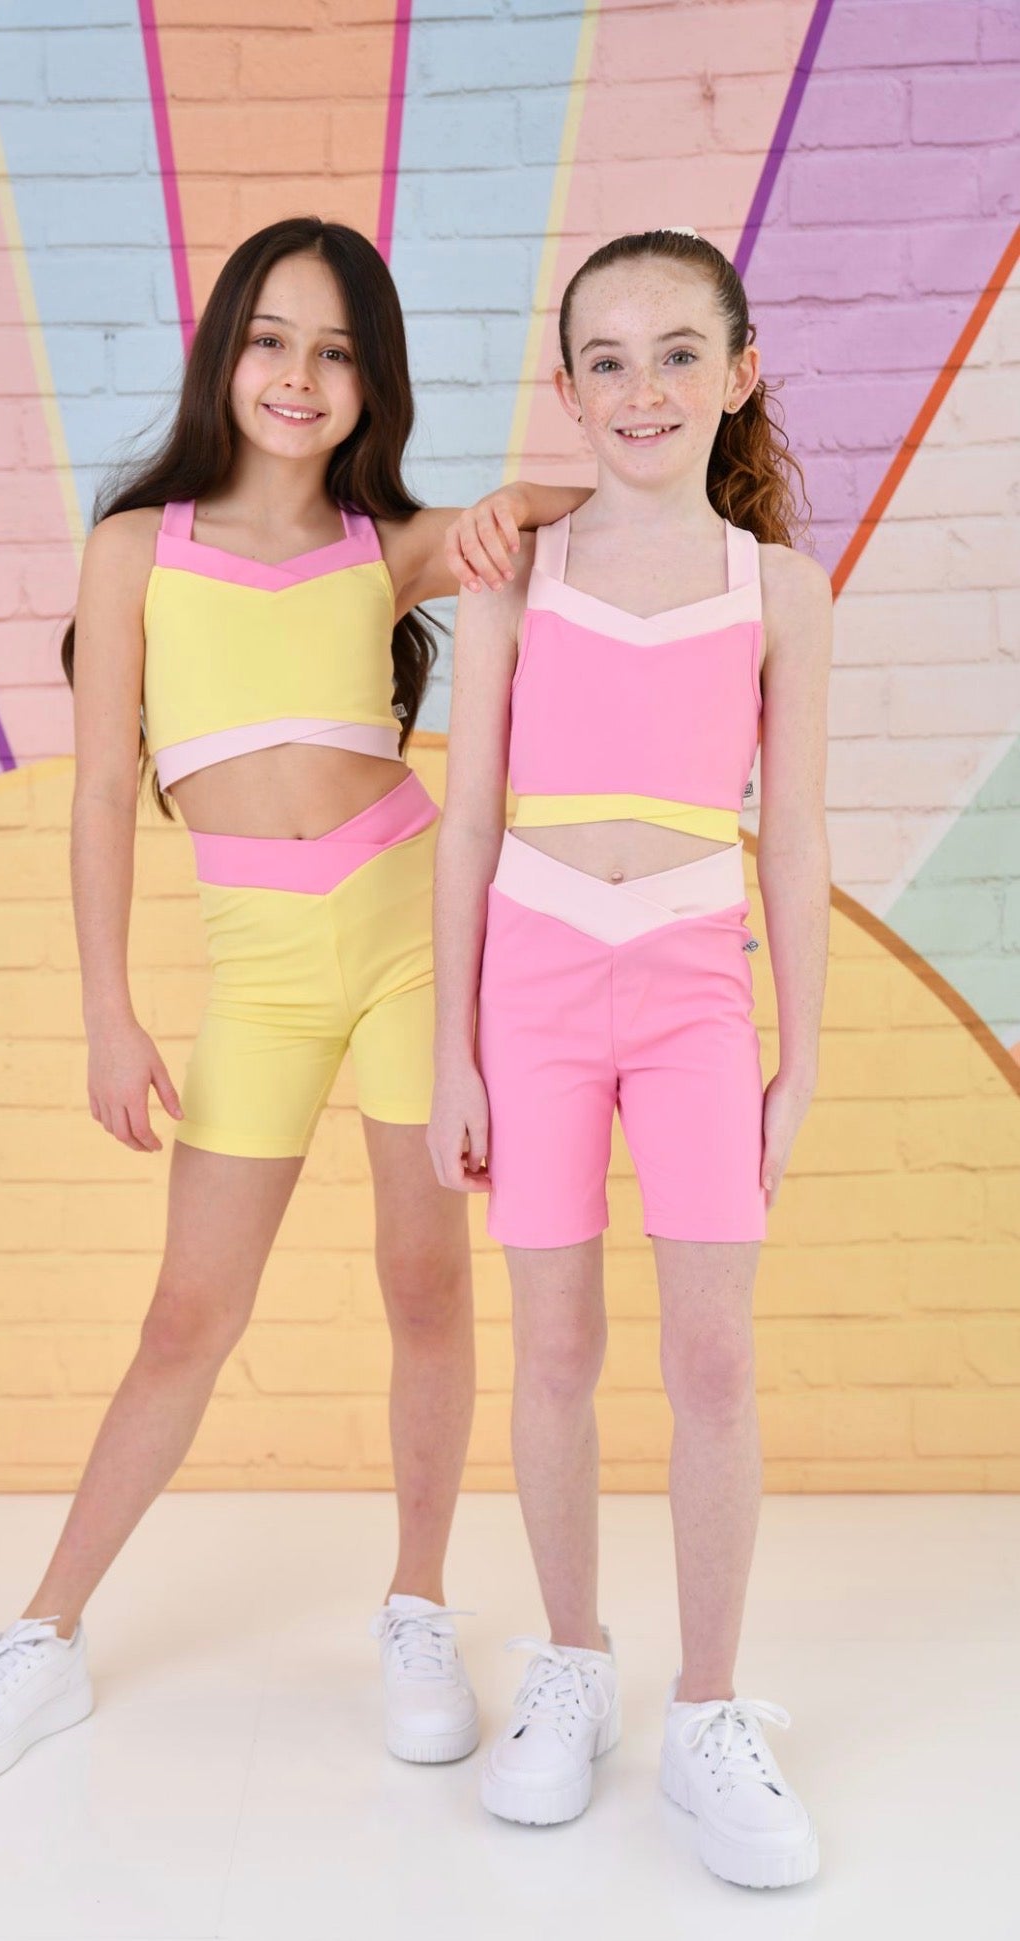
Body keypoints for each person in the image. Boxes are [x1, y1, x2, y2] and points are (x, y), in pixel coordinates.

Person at [0, 216, 590, 1793]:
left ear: (373, 382)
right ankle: (44, 1633)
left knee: (425, 1282)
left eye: (338, 351)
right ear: (225, 349)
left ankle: (417, 1603)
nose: (299, 374)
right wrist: (107, 1009)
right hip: (263, 972)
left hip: (414, 937)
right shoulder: (135, 549)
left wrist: (524, 498)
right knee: (187, 1314)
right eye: (273, 338)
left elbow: (560, 506)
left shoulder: (386, 543)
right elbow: (100, 794)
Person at [428, 227, 831, 1889]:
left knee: (713, 1356)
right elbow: (466, 818)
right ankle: (573, 1662)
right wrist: (453, 1049)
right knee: (554, 1346)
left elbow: (792, 833)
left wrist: (802, 1056)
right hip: (531, 987)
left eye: (678, 353)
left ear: (738, 373)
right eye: (607, 358)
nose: (643, 387)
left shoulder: (778, 590)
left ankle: (710, 1706)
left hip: (690, 987)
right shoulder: (512, 569)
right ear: (569, 388)